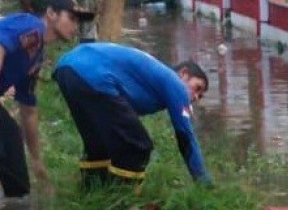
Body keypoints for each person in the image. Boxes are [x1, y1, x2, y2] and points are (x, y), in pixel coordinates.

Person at [52, 42, 211, 187]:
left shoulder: (154, 75)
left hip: (68, 68)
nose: (196, 97)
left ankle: (93, 193)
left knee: (100, 144)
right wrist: (203, 181)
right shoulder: (175, 84)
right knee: (137, 146)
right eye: (197, 88)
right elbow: (186, 137)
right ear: (183, 74)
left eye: (201, 96)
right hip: (92, 75)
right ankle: (121, 201)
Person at [0, 0, 93, 198]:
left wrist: (36, 160)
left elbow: (28, 110)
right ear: (51, 13)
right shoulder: (32, 27)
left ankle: (18, 209)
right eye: (71, 18)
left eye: (78, 21)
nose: (75, 27)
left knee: (11, 139)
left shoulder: (35, 57)